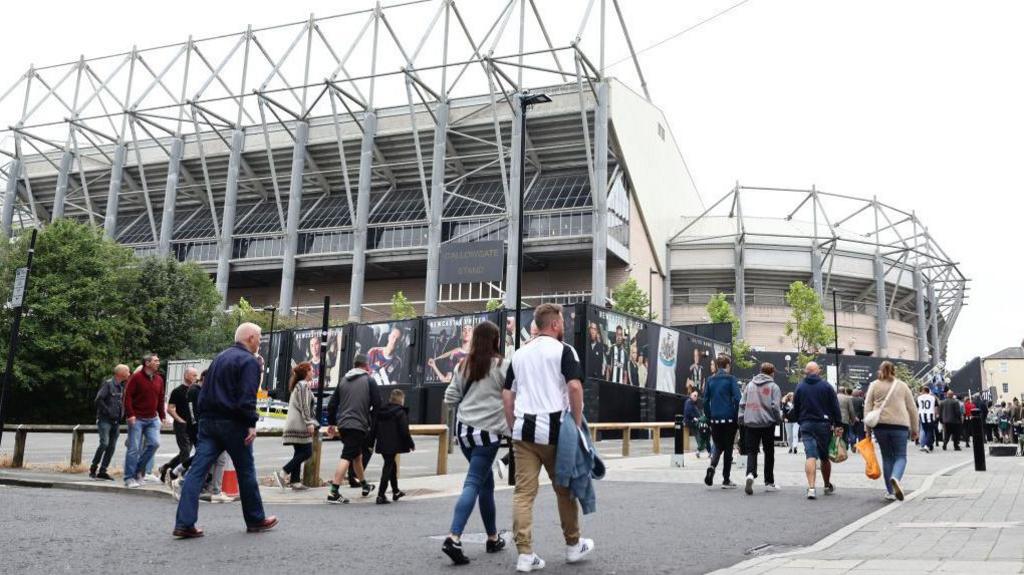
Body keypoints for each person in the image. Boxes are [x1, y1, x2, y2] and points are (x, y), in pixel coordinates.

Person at [502, 303, 593, 572]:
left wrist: (512, 425)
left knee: (523, 494)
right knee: (564, 489)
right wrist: (576, 424)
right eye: (562, 321)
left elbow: (507, 394)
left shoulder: (519, 354)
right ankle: (573, 545)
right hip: (555, 430)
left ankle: (525, 554)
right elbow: (574, 386)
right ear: (554, 324)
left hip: (523, 432)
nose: (563, 325)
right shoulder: (564, 351)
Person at [173, 323, 278, 538]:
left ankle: (184, 523)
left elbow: (202, 392)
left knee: (196, 471)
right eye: (258, 338)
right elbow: (246, 397)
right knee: (246, 471)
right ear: (249, 338)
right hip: (234, 423)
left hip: (209, 422)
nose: (259, 342)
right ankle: (255, 518)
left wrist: (202, 420)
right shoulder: (249, 361)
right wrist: (251, 422)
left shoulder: (219, 358)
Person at [442, 320, 510, 565]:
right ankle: (454, 536)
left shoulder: (463, 364)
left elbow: (450, 397)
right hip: (488, 433)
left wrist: (467, 407)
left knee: (485, 483)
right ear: (495, 340)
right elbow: (513, 396)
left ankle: (492, 538)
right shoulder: (503, 365)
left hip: (464, 433)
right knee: (473, 482)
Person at [325, 354, 381, 503]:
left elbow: (332, 405)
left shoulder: (343, 380)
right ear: (366, 366)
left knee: (357, 456)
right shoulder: (369, 380)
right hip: (358, 425)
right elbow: (377, 406)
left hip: (343, 425)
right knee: (347, 456)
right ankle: (334, 492)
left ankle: (364, 485)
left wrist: (331, 424)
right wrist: (373, 428)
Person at [864, 361, 919, 501]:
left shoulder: (874, 385)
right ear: (894, 370)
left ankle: (890, 492)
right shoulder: (902, 386)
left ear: (880, 370)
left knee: (887, 457)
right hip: (900, 425)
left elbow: (868, 407)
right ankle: (896, 477)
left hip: (880, 425)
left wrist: (867, 430)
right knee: (901, 456)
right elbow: (912, 409)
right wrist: (915, 429)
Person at [791, 362, 842, 500]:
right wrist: (838, 424)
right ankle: (826, 485)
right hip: (823, 425)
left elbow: (796, 406)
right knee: (824, 457)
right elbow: (835, 406)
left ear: (806, 372)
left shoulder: (800, 387)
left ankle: (811, 487)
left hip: (806, 424)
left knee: (810, 455)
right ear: (818, 371)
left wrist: (799, 420)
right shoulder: (826, 386)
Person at [123, 353, 166, 489]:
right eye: (155, 361)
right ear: (147, 363)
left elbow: (160, 398)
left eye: (158, 360)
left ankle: (138, 472)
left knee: (154, 444)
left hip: (152, 418)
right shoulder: (136, 378)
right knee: (134, 449)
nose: (158, 363)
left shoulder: (159, 379)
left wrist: (162, 415)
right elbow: (127, 396)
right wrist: (130, 415)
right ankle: (129, 478)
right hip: (137, 418)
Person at [739, 362, 782, 494]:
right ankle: (769, 482)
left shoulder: (750, 385)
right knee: (769, 452)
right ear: (772, 373)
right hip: (767, 423)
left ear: (760, 371)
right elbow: (775, 406)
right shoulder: (774, 387)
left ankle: (750, 474)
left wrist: (741, 419)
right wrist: (778, 420)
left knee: (752, 451)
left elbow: (742, 404)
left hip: (750, 423)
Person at [275, 362, 317, 491]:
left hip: (294, 423)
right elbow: (304, 406)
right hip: (299, 424)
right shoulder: (303, 385)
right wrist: (309, 423)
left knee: (299, 452)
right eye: (311, 370)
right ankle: (283, 472)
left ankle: (295, 481)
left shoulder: (299, 385)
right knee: (307, 451)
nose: (313, 372)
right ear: (306, 372)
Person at [703, 355, 741, 489]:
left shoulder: (710, 380)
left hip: (715, 418)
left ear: (718, 365)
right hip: (729, 418)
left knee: (718, 445)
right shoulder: (731, 379)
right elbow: (738, 399)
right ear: (728, 365)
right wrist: (736, 416)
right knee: (729, 447)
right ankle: (726, 479)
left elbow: (705, 400)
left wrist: (709, 416)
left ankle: (712, 466)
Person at [373, 388, 415, 505]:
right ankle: (381, 495)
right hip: (393, 444)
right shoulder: (400, 412)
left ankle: (395, 491)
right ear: (401, 400)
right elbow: (404, 431)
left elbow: (374, 427)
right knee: (388, 467)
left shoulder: (381, 411)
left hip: (382, 443)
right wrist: (410, 443)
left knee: (391, 465)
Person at [90, 364, 130, 481]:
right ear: (121, 373)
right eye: (127, 371)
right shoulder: (108, 384)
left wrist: (122, 414)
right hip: (105, 420)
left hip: (116, 422)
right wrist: (108, 412)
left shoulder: (122, 387)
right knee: (104, 443)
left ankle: (103, 471)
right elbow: (98, 399)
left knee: (111, 447)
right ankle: (93, 468)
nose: (129, 373)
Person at [161, 367, 198, 484]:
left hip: (193, 426)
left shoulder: (195, 390)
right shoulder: (178, 391)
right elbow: (170, 408)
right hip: (181, 425)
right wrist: (179, 420)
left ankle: (166, 467)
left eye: (196, 376)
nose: (196, 378)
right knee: (185, 450)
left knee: (186, 451)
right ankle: (182, 475)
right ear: (186, 375)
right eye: (194, 375)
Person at [683, 391, 708, 458]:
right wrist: (695, 418)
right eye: (694, 395)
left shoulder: (692, 403)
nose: (695, 397)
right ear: (691, 395)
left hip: (693, 421)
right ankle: (701, 445)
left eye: (696, 396)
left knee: (701, 430)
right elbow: (688, 413)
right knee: (699, 431)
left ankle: (701, 445)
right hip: (690, 421)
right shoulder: (689, 402)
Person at [917, 386, 938, 452]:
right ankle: (926, 445)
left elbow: (917, 407)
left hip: (922, 415)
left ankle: (927, 445)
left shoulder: (919, 398)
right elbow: (935, 407)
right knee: (929, 431)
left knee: (926, 431)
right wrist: (936, 415)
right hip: (930, 415)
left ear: (924, 391)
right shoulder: (933, 398)